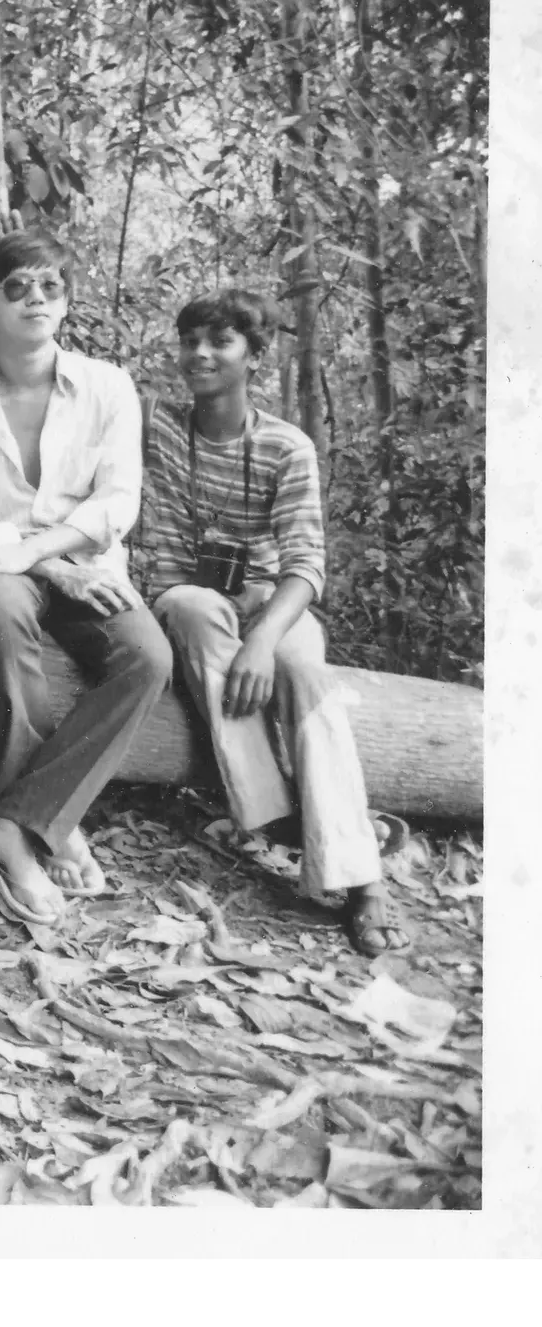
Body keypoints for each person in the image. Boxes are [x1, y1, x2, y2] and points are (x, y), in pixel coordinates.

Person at [143, 286, 405, 955]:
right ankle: (273, 813)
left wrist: (262, 640)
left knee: (305, 675)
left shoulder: (286, 447)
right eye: (190, 341)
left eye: (221, 341)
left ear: (255, 356)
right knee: (196, 610)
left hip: (273, 603)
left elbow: (306, 564)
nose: (200, 354)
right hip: (190, 598)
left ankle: (361, 878)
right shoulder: (163, 429)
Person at [0, 228, 172, 926]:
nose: (35, 298)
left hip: (89, 564)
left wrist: (61, 563)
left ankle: (16, 823)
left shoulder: (107, 387)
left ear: (65, 302)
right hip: (5, 571)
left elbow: (117, 503)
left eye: (50, 286)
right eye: (16, 287)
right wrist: (51, 568)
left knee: (148, 657)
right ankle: (43, 832)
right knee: (0, 615)